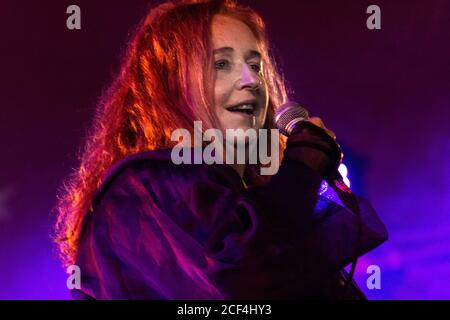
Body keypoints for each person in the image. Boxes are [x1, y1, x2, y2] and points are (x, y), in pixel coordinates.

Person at [55, 0, 388, 299]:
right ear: (170, 85)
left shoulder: (267, 208)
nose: (251, 80)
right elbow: (243, 279)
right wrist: (305, 160)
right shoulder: (141, 190)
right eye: (221, 64)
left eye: (256, 65)